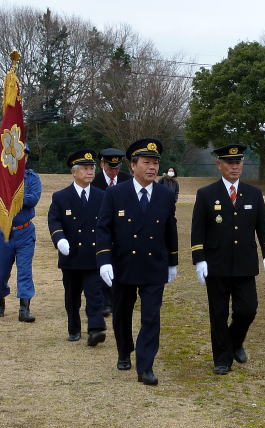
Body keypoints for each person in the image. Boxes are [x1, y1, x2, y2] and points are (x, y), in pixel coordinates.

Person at [96, 138, 178, 386]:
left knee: (151, 316)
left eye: (155, 163)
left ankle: (146, 366)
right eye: (146, 163)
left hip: (154, 265)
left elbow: (169, 228)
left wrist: (173, 261)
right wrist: (104, 260)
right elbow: (103, 229)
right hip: (123, 264)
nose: (152, 168)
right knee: (122, 313)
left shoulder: (165, 194)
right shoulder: (115, 193)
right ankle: (124, 350)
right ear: (133, 165)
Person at [191, 144, 265, 375]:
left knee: (247, 310)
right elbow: (197, 230)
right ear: (219, 165)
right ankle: (221, 359)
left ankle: (235, 341)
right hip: (216, 263)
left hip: (245, 264)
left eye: (238, 162)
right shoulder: (207, 194)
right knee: (218, 313)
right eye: (229, 162)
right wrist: (199, 258)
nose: (234, 166)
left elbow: (263, 228)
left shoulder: (254, 193)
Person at [48, 149, 106, 345]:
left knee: (94, 294)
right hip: (71, 257)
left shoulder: (101, 196)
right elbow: (54, 221)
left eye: (92, 168)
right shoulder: (61, 197)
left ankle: (96, 329)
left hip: (93, 256)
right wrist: (59, 240)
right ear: (74, 172)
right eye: (85, 168)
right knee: (72, 297)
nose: (90, 172)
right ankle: (74, 327)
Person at [0, 151, 42, 322]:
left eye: (24, 155)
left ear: (27, 158)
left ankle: (24, 308)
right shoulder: (0, 176)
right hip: (3, 231)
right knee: (0, 272)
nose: (21, 159)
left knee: (25, 271)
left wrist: (12, 195)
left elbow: (33, 199)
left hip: (25, 232)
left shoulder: (32, 178)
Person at [91, 148, 131, 317]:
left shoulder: (127, 180)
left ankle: (116, 298)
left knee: (120, 264)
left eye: (117, 167)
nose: (114, 171)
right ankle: (105, 301)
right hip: (100, 229)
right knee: (103, 263)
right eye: (110, 167)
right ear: (102, 164)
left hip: (122, 230)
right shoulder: (94, 181)